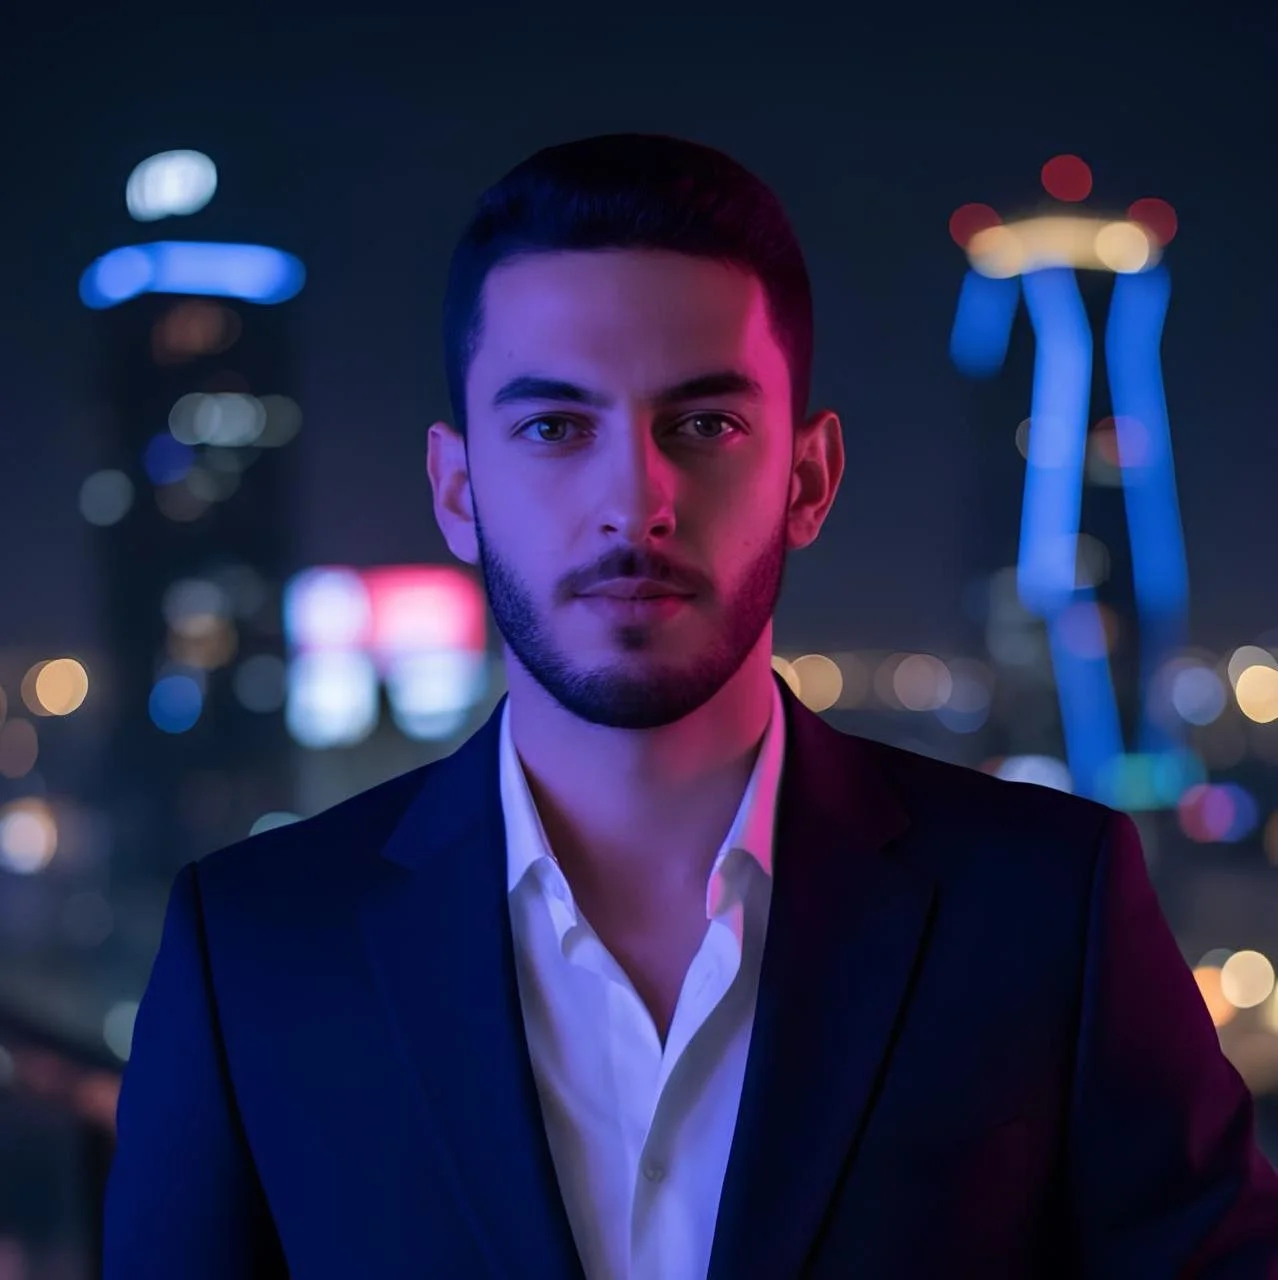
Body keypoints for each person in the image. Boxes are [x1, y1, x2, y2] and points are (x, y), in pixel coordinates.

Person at [102, 133, 1278, 1279]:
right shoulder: (256, 949)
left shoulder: (1044, 903)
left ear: (808, 477)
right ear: (458, 490)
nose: (635, 499)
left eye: (704, 424)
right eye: (556, 427)